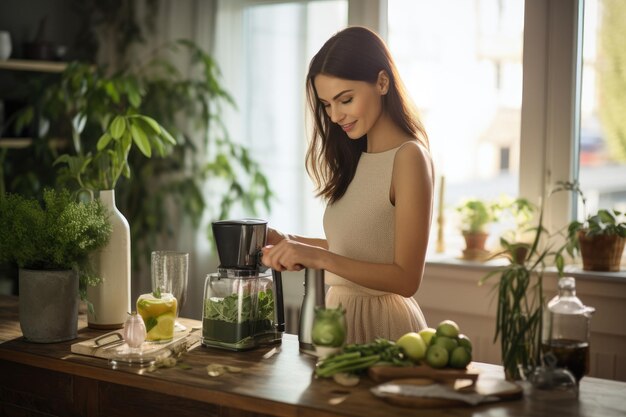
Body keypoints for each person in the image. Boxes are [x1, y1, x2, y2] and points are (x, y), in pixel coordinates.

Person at [261, 26, 434, 344]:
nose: (336, 115)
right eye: (327, 105)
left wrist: (319, 258)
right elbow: (356, 250)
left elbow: (407, 278)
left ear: (382, 82)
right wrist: (289, 241)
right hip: (337, 321)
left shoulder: (409, 158)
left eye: (345, 99)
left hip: (383, 329)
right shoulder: (356, 157)